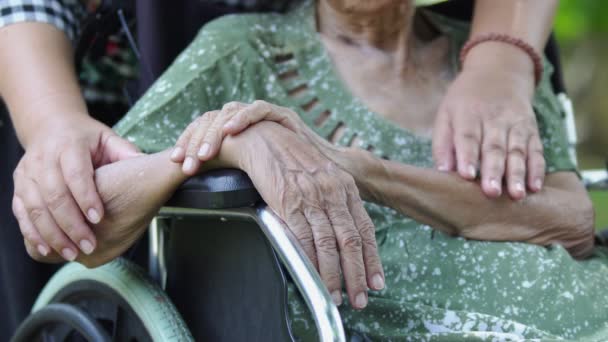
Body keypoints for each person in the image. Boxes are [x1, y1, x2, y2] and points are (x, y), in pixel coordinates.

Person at [20, 0, 608, 340]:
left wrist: (360, 170)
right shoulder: (244, 50)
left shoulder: (490, 65)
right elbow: (86, 221)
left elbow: (571, 220)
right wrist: (227, 143)